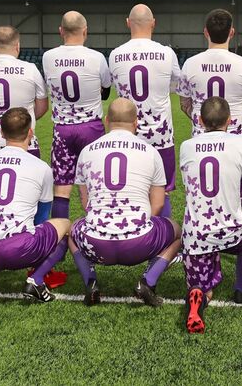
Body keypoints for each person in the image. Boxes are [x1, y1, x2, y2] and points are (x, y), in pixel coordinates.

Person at [68, 98, 183, 307]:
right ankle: (147, 281)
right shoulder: (150, 152)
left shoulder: (87, 151)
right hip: (139, 245)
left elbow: (86, 203)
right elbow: (158, 204)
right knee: (177, 232)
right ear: (136, 122)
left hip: (96, 245)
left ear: (107, 120)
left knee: (71, 231)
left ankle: (91, 282)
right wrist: (139, 227)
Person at [0, 108, 71, 303]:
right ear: (30, 132)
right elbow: (42, 218)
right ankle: (35, 280)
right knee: (65, 225)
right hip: (20, 250)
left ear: (1, 132)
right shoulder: (41, 167)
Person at [179, 97, 242, 333]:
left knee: (202, 288)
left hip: (196, 235)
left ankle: (198, 296)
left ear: (200, 120)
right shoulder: (241, 142)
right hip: (231, 231)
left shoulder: (187, 146)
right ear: (230, 120)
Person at [109, 4, 181, 218]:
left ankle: (131, 231)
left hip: (129, 134)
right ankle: (163, 236)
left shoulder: (115, 54)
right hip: (161, 135)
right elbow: (178, 81)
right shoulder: (167, 53)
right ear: (154, 23)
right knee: (163, 191)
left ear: (127, 23)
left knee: (132, 190)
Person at [42, 11, 111, 219]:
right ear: (85, 31)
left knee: (61, 189)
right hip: (91, 128)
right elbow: (106, 90)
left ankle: (61, 234)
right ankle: (97, 226)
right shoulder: (96, 58)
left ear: (60, 31)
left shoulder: (48, 57)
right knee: (94, 185)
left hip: (62, 129)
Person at [177, 9, 242, 136]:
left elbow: (185, 104)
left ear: (206, 32)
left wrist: (202, 122)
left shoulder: (190, 64)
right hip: (235, 138)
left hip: (201, 137)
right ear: (232, 32)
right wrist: (233, 124)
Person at [0, 26, 48, 157]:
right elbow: (43, 106)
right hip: (24, 141)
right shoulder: (30, 69)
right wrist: (21, 121)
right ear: (18, 45)